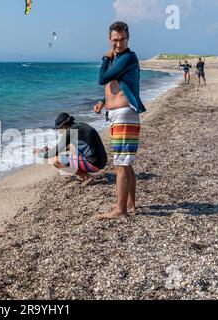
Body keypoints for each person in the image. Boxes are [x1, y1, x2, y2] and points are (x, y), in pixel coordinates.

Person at [95, 21, 145, 220]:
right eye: (115, 40)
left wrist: (105, 58)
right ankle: (130, 204)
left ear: (128, 38)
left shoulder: (127, 57)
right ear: (110, 39)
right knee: (126, 162)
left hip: (125, 114)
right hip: (118, 114)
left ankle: (120, 209)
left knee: (121, 164)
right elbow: (117, 85)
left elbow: (103, 78)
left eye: (122, 39)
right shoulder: (119, 59)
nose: (118, 43)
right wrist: (102, 101)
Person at [34, 113, 107, 186]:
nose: (59, 130)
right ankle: (83, 171)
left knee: (56, 161)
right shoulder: (81, 125)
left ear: (63, 125)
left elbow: (53, 153)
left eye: (59, 128)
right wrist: (52, 150)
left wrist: (39, 153)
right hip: (102, 161)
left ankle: (87, 177)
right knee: (71, 147)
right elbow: (68, 146)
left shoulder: (70, 131)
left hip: (94, 164)